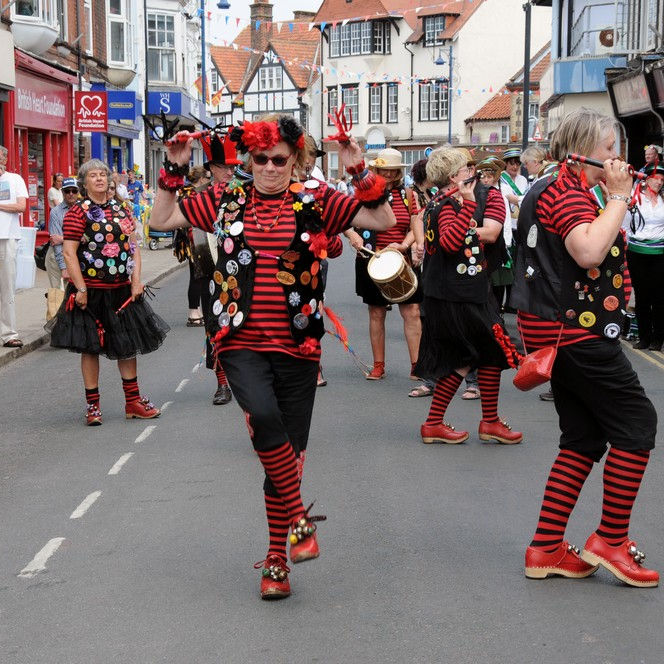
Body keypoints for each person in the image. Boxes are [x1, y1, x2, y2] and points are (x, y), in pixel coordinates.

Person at [148, 112, 396, 600]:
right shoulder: (225, 197)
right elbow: (160, 220)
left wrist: (357, 169)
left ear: (294, 159)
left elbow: (383, 220)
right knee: (263, 417)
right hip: (239, 339)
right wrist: (173, 170)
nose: (268, 167)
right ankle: (300, 519)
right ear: (248, 159)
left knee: (286, 456)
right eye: (258, 159)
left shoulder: (316, 200)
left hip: (299, 344)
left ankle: (278, 559)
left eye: (278, 159)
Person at [513, 108, 658, 587]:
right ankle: (610, 541)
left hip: (556, 332)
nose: (619, 158)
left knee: (584, 437)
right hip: (575, 332)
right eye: (610, 150)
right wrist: (617, 196)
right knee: (638, 424)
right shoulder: (568, 193)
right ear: (582, 152)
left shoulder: (548, 186)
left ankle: (546, 546)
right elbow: (589, 251)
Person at [49, 159, 169, 425]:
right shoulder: (77, 212)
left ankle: (133, 402)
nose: (100, 179)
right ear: (85, 182)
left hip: (121, 290)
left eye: (103, 174)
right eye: (94, 175)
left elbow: (133, 248)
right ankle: (93, 406)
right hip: (90, 291)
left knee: (126, 345)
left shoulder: (122, 209)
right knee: (89, 347)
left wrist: (137, 281)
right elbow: (69, 253)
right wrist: (80, 288)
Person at [416, 147, 522, 446]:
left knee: (490, 353)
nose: (472, 173)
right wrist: (470, 204)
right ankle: (434, 423)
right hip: (456, 295)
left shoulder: (443, 202)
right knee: (465, 357)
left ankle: (489, 422)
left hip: (465, 290)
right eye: (467, 169)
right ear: (455, 177)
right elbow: (450, 243)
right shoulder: (450, 204)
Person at [345, 147, 423, 381]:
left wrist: (405, 244)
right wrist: (351, 235)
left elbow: (415, 224)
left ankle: (417, 365)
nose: (388, 175)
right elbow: (343, 217)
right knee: (376, 313)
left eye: (393, 171)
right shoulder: (361, 193)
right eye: (384, 170)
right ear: (376, 169)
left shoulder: (409, 195)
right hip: (372, 259)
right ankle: (378, 365)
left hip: (402, 259)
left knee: (412, 312)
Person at [624, 162, 664, 350]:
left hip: (660, 253)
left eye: (662, 180)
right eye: (657, 178)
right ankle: (644, 338)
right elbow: (623, 223)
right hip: (637, 253)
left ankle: (658, 340)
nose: (660, 182)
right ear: (647, 180)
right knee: (642, 296)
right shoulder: (634, 198)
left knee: (659, 297)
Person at [0, 145, 28, 348]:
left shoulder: (14, 179)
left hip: (7, 237)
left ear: (4, 159)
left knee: (6, 287)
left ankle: (9, 333)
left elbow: (21, 206)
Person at [45, 177, 79, 293]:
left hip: (76, 255)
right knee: (57, 295)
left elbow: (87, 238)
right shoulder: (56, 212)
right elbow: (56, 243)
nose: (70, 194)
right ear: (62, 192)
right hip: (56, 257)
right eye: (67, 191)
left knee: (76, 294)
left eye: (74, 191)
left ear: (78, 192)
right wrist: (64, 267)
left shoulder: (84, 210)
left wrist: (63, 238)